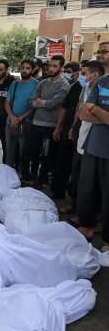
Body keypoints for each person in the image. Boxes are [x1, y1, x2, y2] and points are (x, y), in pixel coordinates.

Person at [76, 51, 109, 251]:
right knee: (87, 190)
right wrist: (100, 113)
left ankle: (107, 239)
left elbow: (91, 109)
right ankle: (86, 226)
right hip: (93, 146)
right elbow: (84, 114)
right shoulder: (103, 82)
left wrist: (95, 109)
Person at [69, 60, 104, 225]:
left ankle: (90, 219)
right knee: (80, 181)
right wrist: (73, 127)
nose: (80, 77)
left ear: (94, 75)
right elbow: (82, 113)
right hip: (82, 140)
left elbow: (88, 113)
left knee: (92, 187)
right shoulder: (87, 88)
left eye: (84, 74)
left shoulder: (101, 90)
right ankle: (79, 212)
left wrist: (94, 111)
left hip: (96, 144)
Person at [32, 55, 70, 188]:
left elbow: (52, 104)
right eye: (50, 65)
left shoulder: (64, 85)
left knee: (46, 154)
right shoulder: (43, 82)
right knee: (33, 152)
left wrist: (42, 102)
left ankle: (42, 180)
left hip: (50, 126)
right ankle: (33, 176)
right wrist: (42, 103)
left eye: (55, 66)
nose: (51, 68)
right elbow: (32, 101)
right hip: (36, 123)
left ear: (61, 68)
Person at [49, 61, 84, 199]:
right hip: (67, 131)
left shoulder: (96, 88)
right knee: (62, 162)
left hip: (83, 134)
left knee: (77, 168)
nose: (81, 76)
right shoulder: (75, 87)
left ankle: (75, 198)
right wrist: (59, 126)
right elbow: (65, 107)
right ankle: (58, 191)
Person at [4, 59, 39, 175]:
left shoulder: (36, 85)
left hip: (26, 123)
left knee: (24, 151)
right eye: (23, 68)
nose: (24, 70)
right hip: (11, 122)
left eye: (28, 68)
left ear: (33, 70)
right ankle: (8, 174)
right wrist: (12, 117)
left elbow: (35, 106)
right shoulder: (15, 84)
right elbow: (7, 103)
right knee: (9, 151)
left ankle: (22, 174)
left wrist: (21, 117)